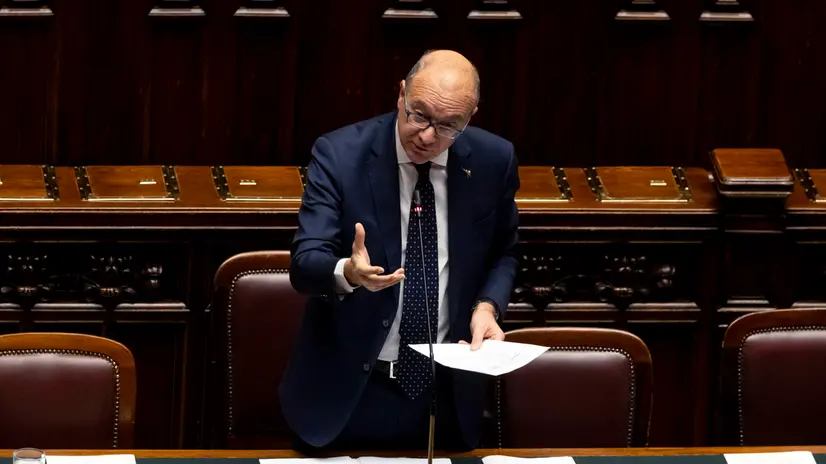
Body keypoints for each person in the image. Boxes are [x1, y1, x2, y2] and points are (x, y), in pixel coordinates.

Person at [280, 49, 520, 451]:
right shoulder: (340, 154)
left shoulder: (493, 161)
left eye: (448, 126)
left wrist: (487, 307)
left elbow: (504, 252)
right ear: (401, 94)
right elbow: (305, 262)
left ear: (470, 116)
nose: (427, 136)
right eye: (419, 115)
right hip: (348, 396)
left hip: (445, 397)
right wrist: (347, 272)